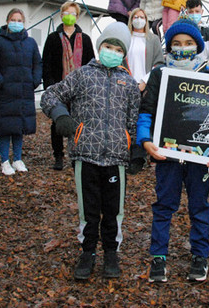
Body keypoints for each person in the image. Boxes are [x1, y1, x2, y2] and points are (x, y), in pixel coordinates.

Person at [41, 22, 140, 280]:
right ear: (99, 47)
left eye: (117, 48)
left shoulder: (128, 84)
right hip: (85, 154)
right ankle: (87, 252)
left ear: (123, 53)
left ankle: (110, 253)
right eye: (108, 46)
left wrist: (136, 149)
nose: (112, 51)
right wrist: (61, 116)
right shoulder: (82, 75)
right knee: (89, 209)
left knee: (114, 210)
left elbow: (133, 120)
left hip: (116, 157)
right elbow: (50, 96)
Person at [137, 17, 209, 283]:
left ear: (197, 45)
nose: (182, 47)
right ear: (169, 47)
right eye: (176, 43)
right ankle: (158, 257)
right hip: (167, 154)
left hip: (199, 158)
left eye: (188, 43)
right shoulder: (160, 75)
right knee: (164, 205)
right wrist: (145, 140)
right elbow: (146, 110)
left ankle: (200, 256)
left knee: (199, 206)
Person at [0, 8, 42, 175]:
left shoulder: (30, 43)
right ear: (7, 21)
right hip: (5, 92)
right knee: (5, 127)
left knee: (19, 127)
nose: (16, 23)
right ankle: (4, 160)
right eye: (13, 19)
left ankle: (17, 158)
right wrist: (0, 81)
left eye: (19, 20)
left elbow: (37, 63)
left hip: (24, 91)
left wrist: (35, 80)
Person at [41, 1, 94, 170]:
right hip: (58, 86)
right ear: (61, 15)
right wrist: (49, 85)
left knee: (79, 123)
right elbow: (46, 63)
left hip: (80, 88)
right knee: (58, 122)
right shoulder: (52, 38)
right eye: (66, 13)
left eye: (73, 13)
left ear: (77, 16)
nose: (69, 16)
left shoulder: (85, 39)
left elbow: (91, 63)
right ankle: (58, 156)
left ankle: (76, 155)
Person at [126, 8, 163, 90]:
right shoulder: (125, 38)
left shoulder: (154, 39)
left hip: (147, 85)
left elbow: (158, 63)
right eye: (136, 17)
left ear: (146, 20)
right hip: (126, 84)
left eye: (142, 17)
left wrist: (145, 81)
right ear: (131, 20)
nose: (139, 19)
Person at [186, 0, 209, 72]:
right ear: (186, 13)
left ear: (202, 12)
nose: (194, 14)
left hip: (203, 76)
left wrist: (204, 73)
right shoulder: (181, 32)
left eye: (197, 11)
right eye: (191, 12)